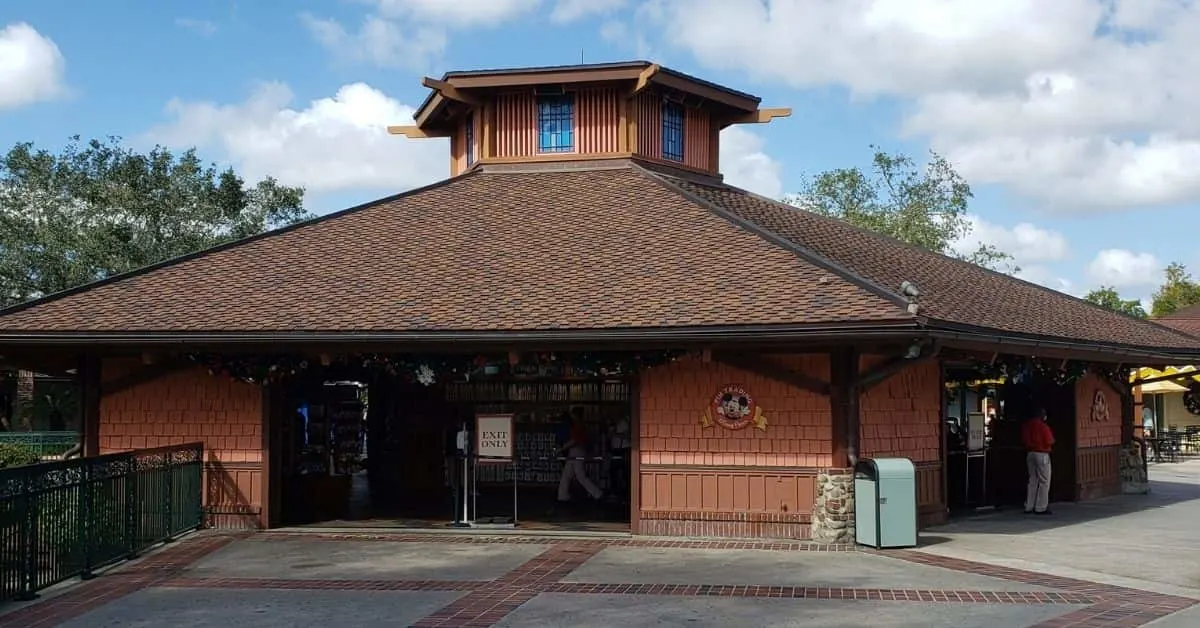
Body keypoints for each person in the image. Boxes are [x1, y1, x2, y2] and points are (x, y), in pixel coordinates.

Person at [557, 408, 603, 503]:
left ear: (575, 415)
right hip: (577, 450)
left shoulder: (577, 425)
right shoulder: (579, 425)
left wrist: (561, 449)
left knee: (580, 476)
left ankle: (597, 494)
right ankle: (562, 495)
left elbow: (574, 441)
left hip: (576, 451)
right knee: (567, 474)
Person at [1021, 407, 1055, 515]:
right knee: (1044, 481)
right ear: (1042, 415)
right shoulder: (1043, 426)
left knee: (1032, 480)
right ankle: (1041, 507)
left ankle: (1029, 505)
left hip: (1030, 453)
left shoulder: (1027, 425)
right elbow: (1049, 441)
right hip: (1042, 453)